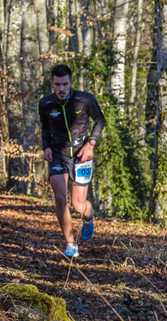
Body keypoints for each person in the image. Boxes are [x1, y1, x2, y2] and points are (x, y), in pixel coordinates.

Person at [38, 64, 106, 259]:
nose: (61, 88)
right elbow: (45, 127)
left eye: (65, 84)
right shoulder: (45, 103)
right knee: (60, 198)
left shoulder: (84, 99)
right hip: (58, 153)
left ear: (71, 83)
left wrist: (91, 144)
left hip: (81, 153)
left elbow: (100, 120)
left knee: (78, 205)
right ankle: (70, 244)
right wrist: (46, 147)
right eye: (58, 84)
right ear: (52, 83)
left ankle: (89, 216)